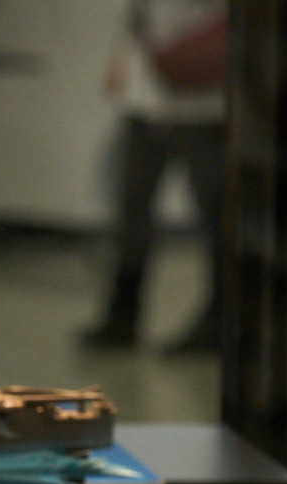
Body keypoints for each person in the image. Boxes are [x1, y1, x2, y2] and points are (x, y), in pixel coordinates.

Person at [81, 0, 228, 352]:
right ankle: (122, 315)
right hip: (146, 100)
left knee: (215, 216)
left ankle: (219, 318)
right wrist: (121, 60)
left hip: (201, 106)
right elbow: (138, 16)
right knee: (132, 210)